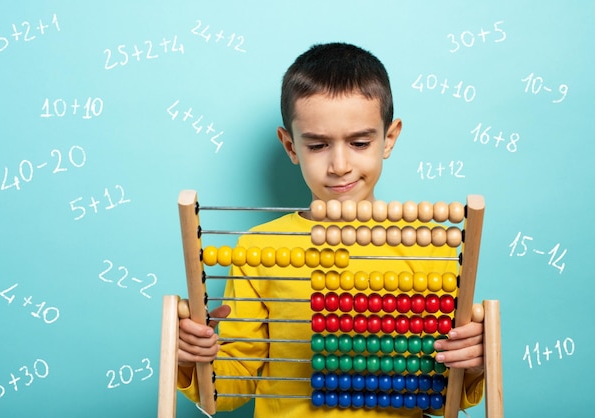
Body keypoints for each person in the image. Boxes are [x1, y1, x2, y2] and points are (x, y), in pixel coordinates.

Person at [177, 42, 485, 417]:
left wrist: (472, 366)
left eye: (359, 142)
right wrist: (193, 360)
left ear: (389, 138)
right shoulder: (257, 249)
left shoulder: (433, 252)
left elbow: (440, 399)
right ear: (291, 146)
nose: (339, 165)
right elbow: (230, 385)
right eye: (318, 145)